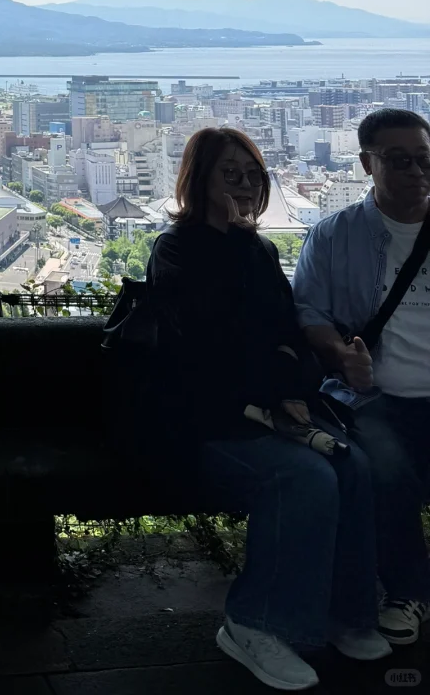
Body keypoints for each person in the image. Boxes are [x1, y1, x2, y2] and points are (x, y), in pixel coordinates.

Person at [146, 127, 389, 690]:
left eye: (254, 174)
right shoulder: (177, 250)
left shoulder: (259, 249)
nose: (245, 183)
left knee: (351, 466)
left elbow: (285, 334)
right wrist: (274, 369)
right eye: (231, 173)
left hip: (269, 411)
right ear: (199, 179)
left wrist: (285, 376)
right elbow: (206, 343)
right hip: (204, 423)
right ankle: (252, 622)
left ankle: (345, 614)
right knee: (304, 477)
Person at [292, 106, 430, 646]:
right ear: (366, 163)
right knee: (385, 467)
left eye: (424, 160)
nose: (417, 173)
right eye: (399, 161)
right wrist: (338, 353)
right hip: (375, 395)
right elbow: (308, 311)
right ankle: (408, 589)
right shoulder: (332, 237)